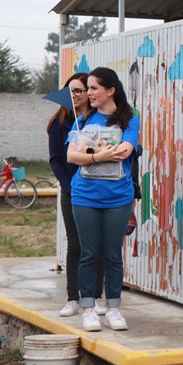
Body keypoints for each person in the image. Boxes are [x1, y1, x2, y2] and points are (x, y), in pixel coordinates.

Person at [67, 67, 139, 332]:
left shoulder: (129, 119)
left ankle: (114, 309)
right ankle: (88, 310)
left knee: (113, 255)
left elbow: (124, 150)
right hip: (84, 196)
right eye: (88, 89)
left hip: (118, 198)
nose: (89, 93)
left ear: (111, 90)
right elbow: (72, 157)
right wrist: (97, 155)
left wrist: (91, 149)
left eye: (94, 88)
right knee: (89, 254)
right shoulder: (83, 120)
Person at [48, 72, 107, 318]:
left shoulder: (100, 121)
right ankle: (73, 298)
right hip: (71, 192)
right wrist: (69, 186)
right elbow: (55, 161)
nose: (74, 95)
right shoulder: (58, 124)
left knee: (98, 245)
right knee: (76, 245)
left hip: (97, 190)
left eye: (79, 90)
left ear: (89, 94)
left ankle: (95, 296)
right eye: (70, 91)